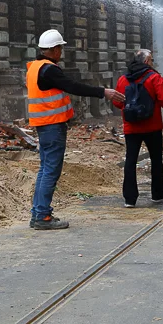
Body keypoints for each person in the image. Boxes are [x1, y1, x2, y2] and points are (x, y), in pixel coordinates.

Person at [26, 29, 125, 230]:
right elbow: (73, 86)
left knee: (44, 169)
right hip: (52, 125)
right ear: (53, 50)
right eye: (60, 48)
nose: (61, 52)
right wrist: (103, 92)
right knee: (51, 170)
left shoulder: (34, 67)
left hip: (43, 125)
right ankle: (42, 216)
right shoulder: (49, 69)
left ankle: (38, 213)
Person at [112, 49, 163, 207]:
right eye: (152, 60)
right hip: (152, 126)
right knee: (156, 159)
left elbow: (117, 101)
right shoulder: (154, 77)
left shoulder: (123, 79)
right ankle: (157, 194)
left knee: (130, 161)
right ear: (147, 61)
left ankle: (129, 199)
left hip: (131, 127)